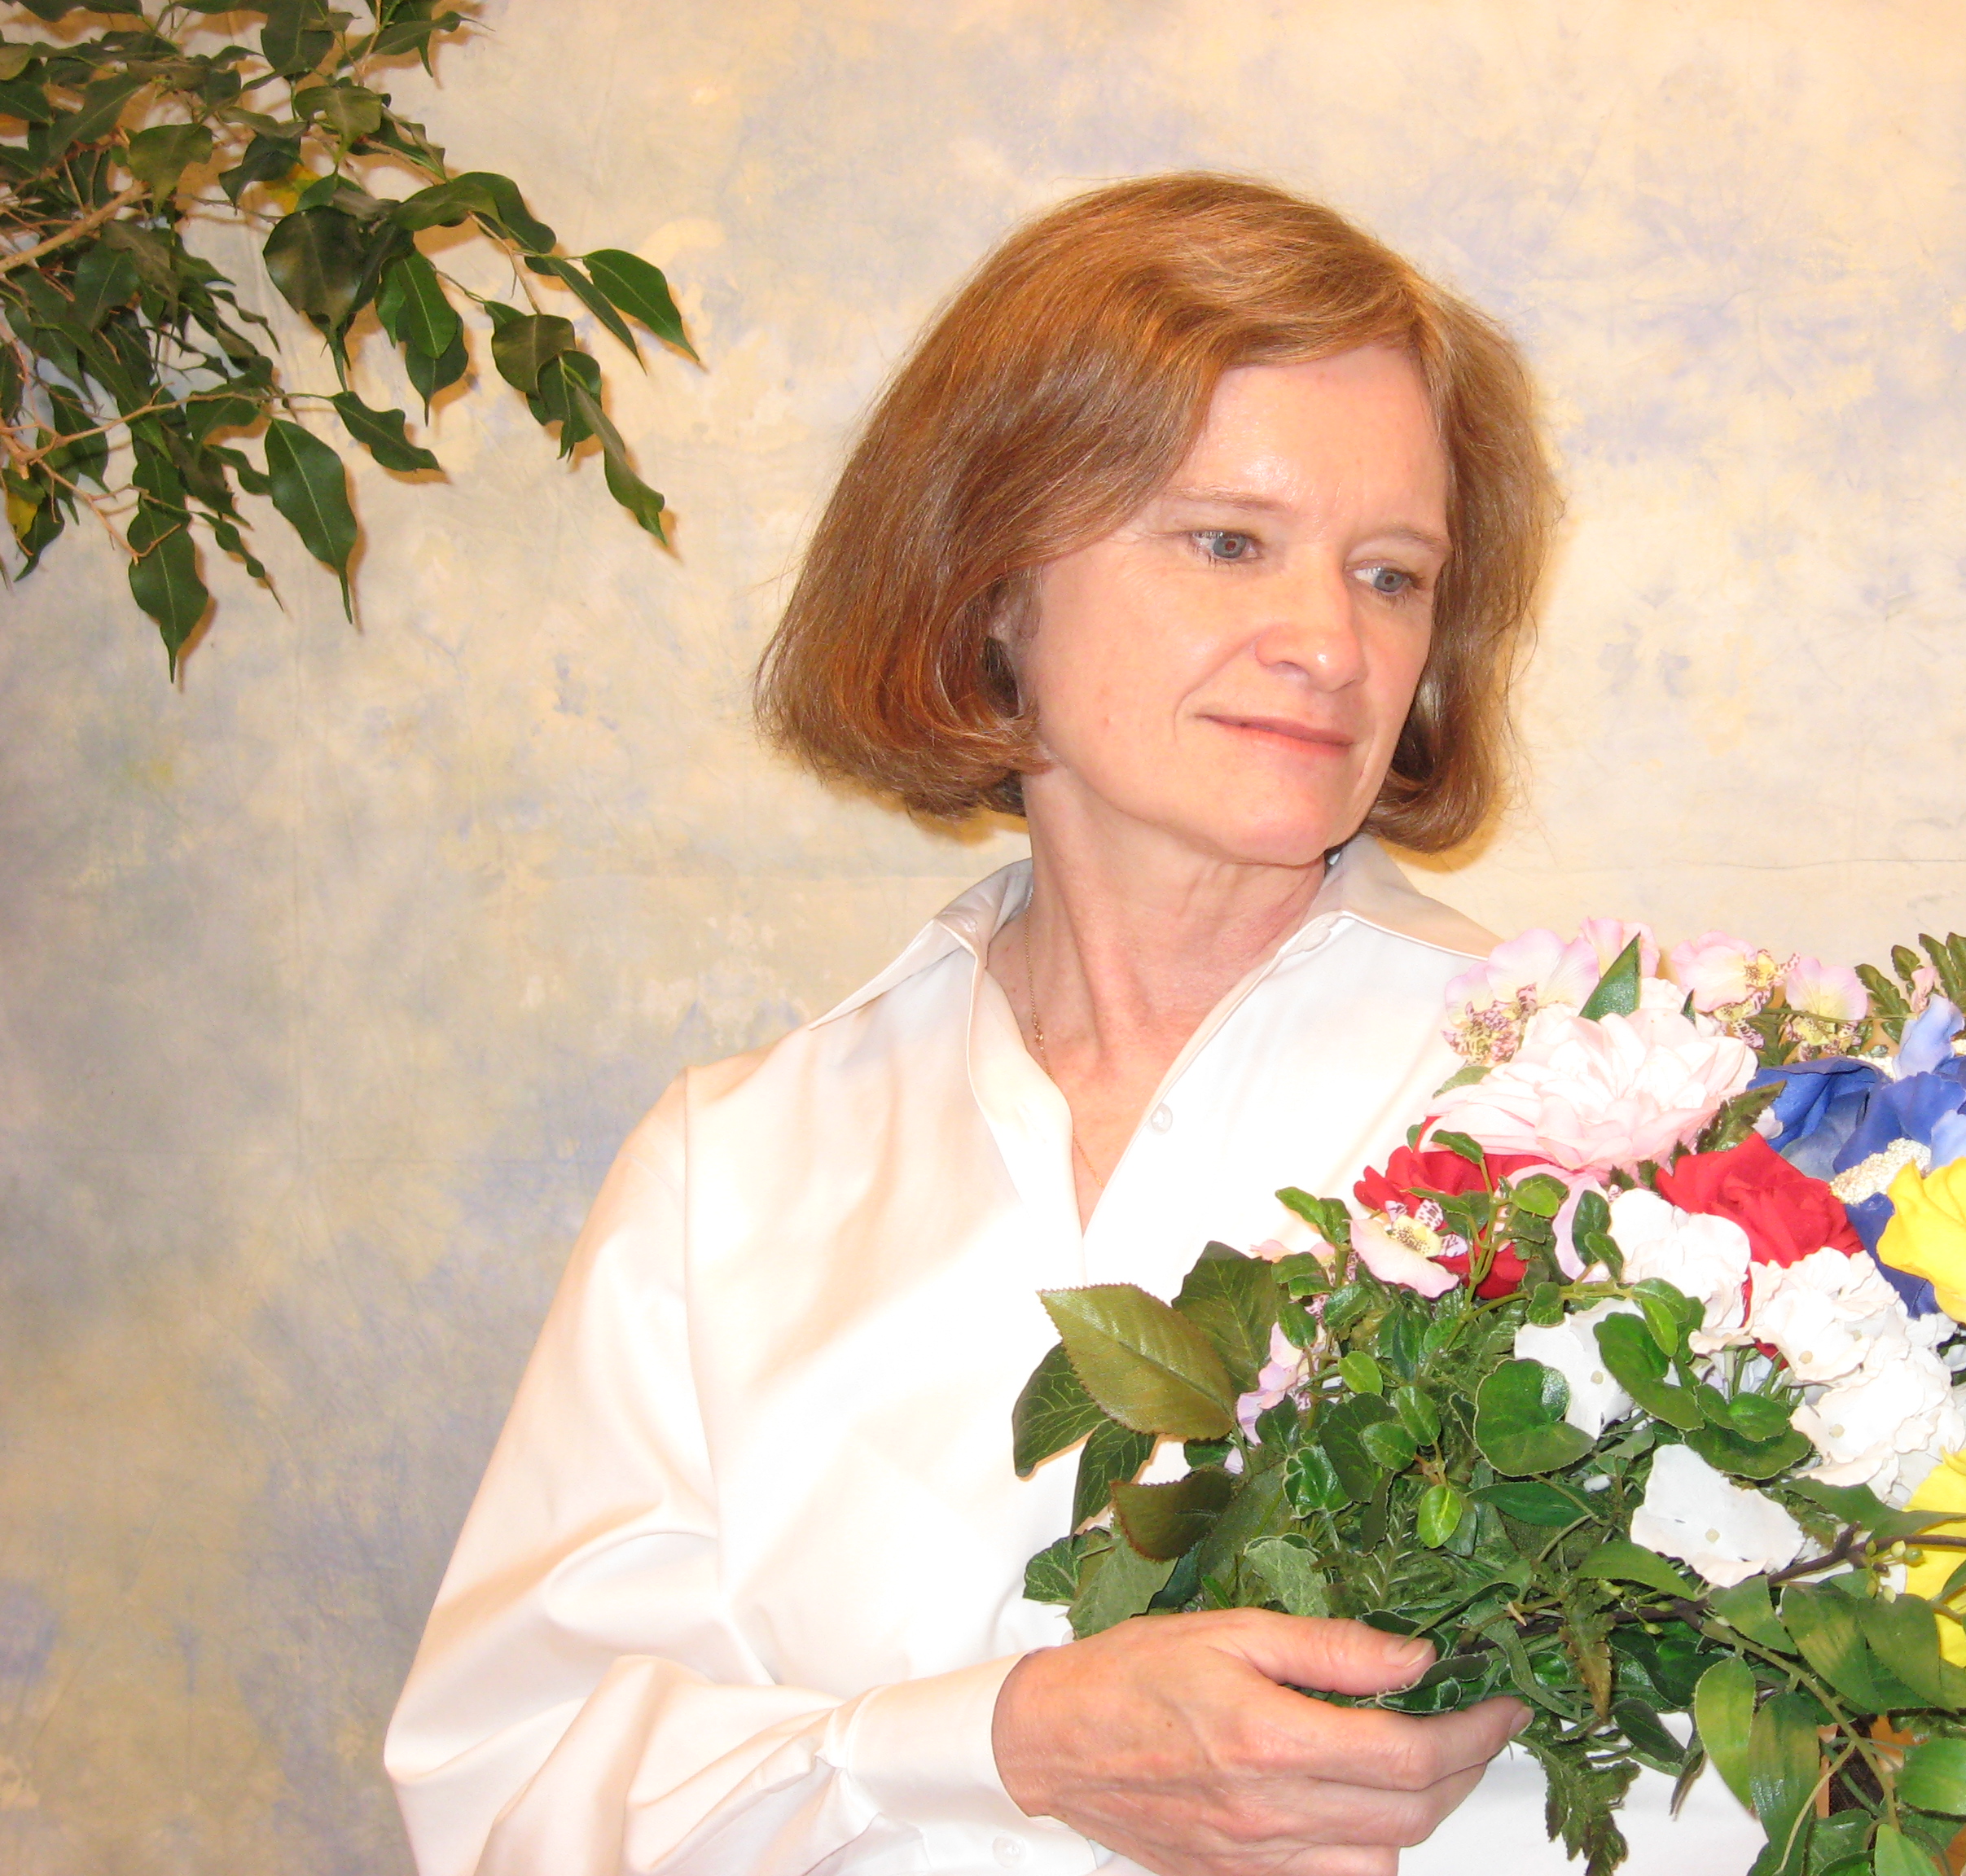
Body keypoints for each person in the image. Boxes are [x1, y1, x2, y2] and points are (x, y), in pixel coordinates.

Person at [384, 173, 1763, 1876]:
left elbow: (1778, 1783)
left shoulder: (1617, 1128)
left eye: (1392, 575)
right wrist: (1000, 1744)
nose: (1332, 644)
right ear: (990, 581)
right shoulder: (731, 1174)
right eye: (1228, 542)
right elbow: (513, 1800)